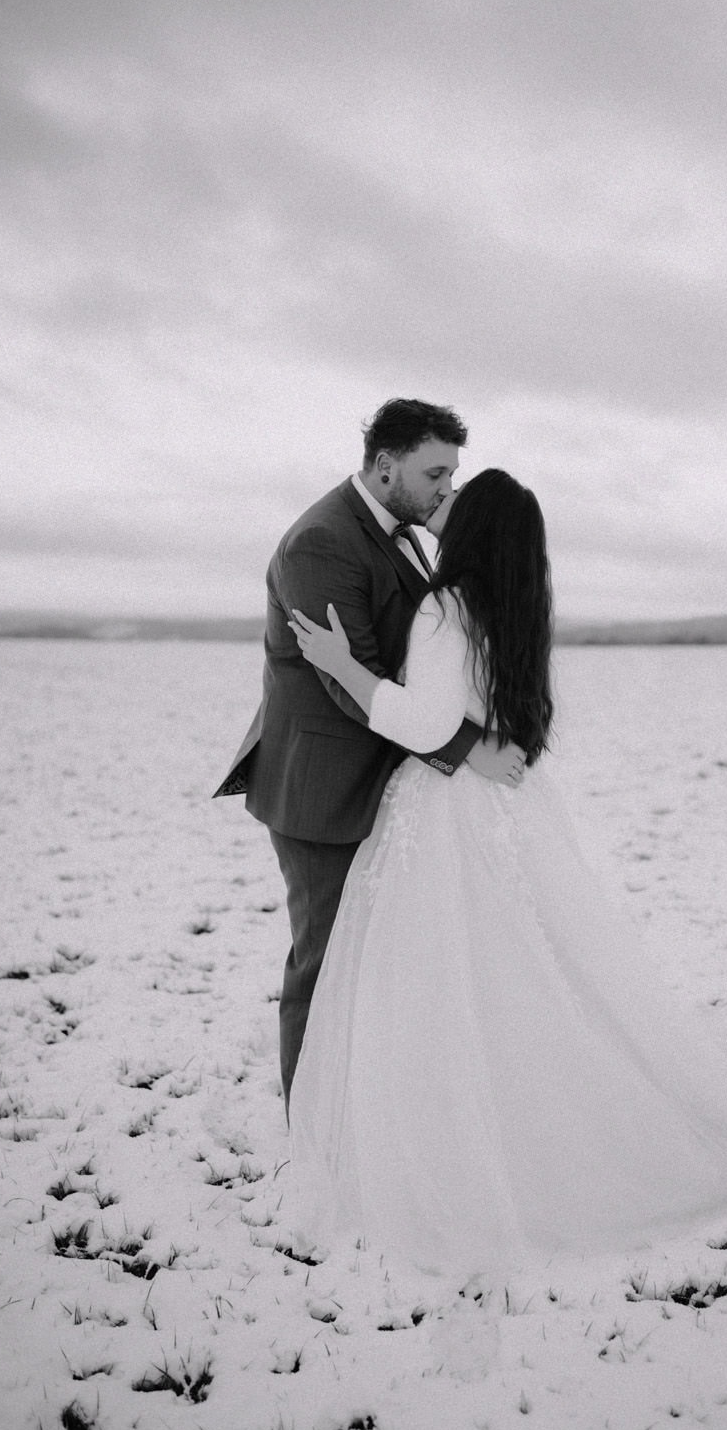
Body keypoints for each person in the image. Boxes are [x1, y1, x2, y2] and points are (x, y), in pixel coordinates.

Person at [285, 469, 727, 1273]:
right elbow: (497, 733)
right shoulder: (512, 608)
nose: (440, 503)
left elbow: (425, 722)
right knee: (514, 972)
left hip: (450, 811)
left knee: (446, 977)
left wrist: (343, 664)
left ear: (476, 527)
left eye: (454, 498)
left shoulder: (444, 607)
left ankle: (454, 1136)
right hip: (502, 808)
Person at [214, 400, 526, 1106]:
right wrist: (466, 745)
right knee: (324, 964)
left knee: (374, 960)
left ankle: (372, 1112)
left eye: (452, 472)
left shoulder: (401, 527)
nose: (448, 487)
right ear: (386, 467)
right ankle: (314, 1125)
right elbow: (346, 678)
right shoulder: (320, 542)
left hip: (382, 776)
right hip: (322, 787)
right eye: (435, 472)